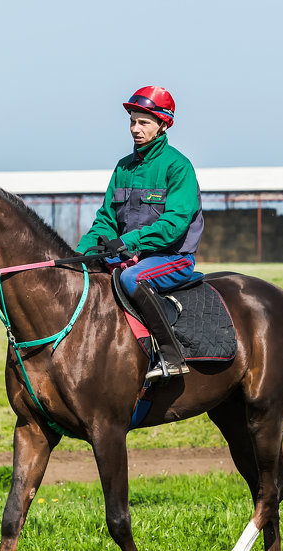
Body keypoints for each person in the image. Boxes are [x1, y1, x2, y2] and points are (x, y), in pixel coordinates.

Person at [76, 85, 205, 381]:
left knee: (132, 278)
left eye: (143, 122)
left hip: (172, 257)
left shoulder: (179, 166)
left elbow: (174, 224)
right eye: (132, 121)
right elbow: (106, 218)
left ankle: (170, 355)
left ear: (163, 124)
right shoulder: (123, 167)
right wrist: (82, 253)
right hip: (127, 255)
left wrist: (129, 243)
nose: (135, 128)